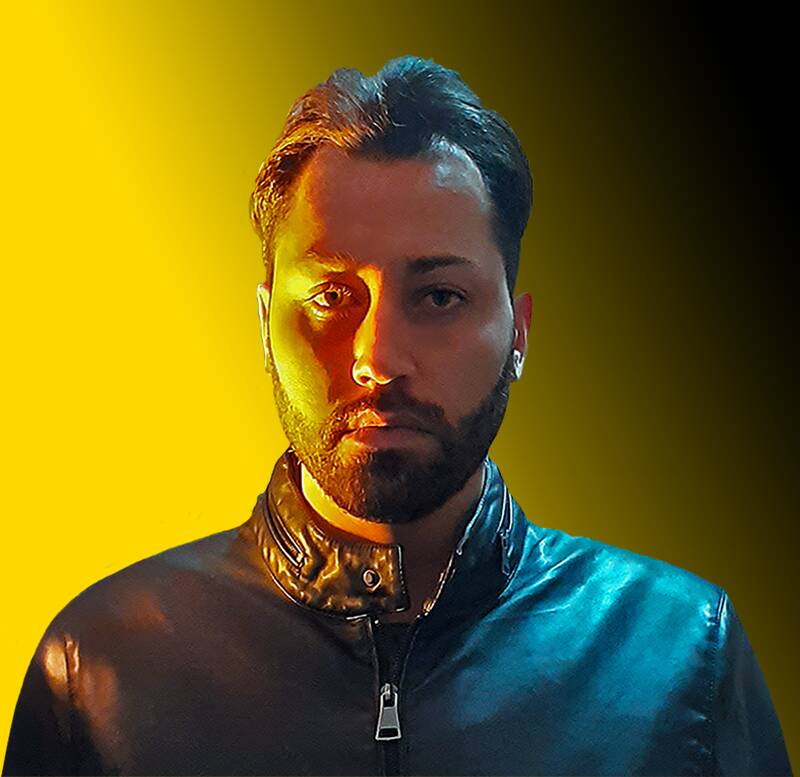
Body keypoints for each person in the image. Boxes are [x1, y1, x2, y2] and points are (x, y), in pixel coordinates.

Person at [3, 56, 792, 777]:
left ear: (518, 332)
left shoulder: (681, 652)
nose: (378, 358)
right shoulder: (98, 668)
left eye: (439, 295)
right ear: (265, 326)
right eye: (331, 297)